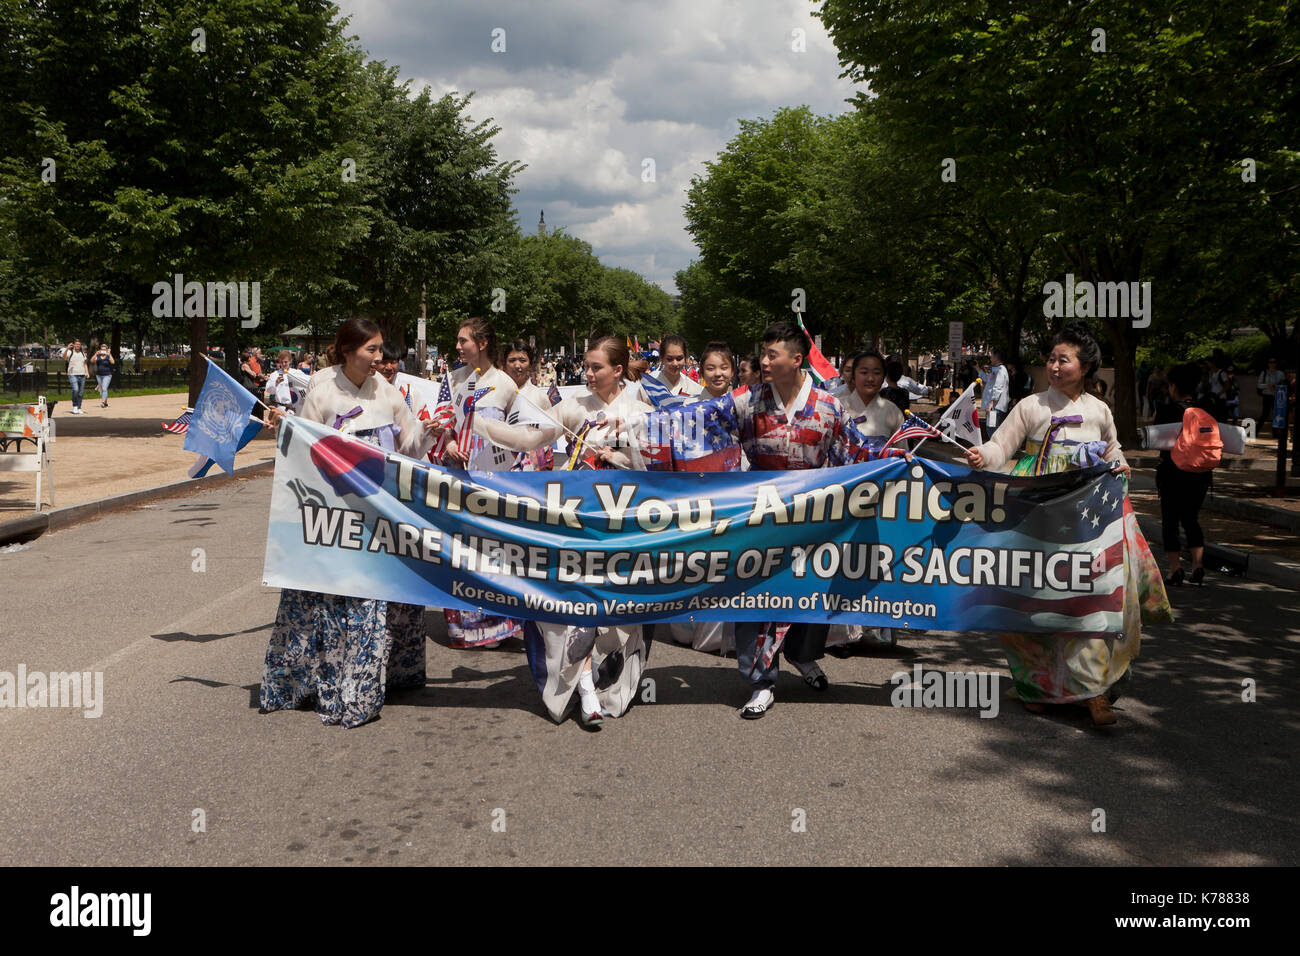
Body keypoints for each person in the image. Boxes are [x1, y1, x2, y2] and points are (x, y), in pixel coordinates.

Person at [635, 321, 899, 719]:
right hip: (760, 519)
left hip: (815, 519)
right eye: (763, 353)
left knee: (812, 595)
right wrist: (631, 434)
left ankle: (802, 656)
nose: (764, 361)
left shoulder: (829, 407)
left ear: (797, 359)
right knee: (756, 597)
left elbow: (857, 452)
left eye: (772, 354)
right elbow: (697, 421)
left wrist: (897, 459)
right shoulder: (748, 401)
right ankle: (760, 680)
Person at [963, 321, 1171, 726]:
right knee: (1032, 600)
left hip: (1086, 522)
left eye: (1064, 359)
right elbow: (999, 447)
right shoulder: (1030, 406)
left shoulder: (1099, 411)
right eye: (1051, 359)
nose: (1055, 367)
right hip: (1035, 516)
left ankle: (1093, 692)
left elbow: (1114, 452)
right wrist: (981, 457)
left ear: (1087, 366)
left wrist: (1120, 467)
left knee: (1088, 598)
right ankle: (1035, 686)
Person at [259, 317, 439, 728]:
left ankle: (383, 678)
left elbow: (410, 446)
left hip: (381, 513)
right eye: (371, 350)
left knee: (378, 593)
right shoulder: (322, 392)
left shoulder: (390, 393)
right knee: (345, 597)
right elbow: (301, 449)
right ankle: (339, 685)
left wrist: (428, 431)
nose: (381, 358)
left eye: (381, 350)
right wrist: (282, 426)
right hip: (336, 514)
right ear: (346, 350)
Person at [475, 336, 656, 728]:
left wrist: (619, 458)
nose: (587, 374)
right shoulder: (573, 407)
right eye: (586, 367)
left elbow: (659, 467)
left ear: (618, 370)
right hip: (579, 527)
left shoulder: (642, 409)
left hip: (627, 529)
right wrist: (483, 425)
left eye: (596, 368)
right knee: (576, 606)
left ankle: (613, 684)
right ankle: (584, 688)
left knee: (618, 609)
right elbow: (530, 439)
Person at [432, 317, 524, 649]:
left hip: (495, 482)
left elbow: (520, 434)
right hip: (457, 476)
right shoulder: (452, 380)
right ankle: (466, 625)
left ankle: (500, 622)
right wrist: (450, 443)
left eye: (463, 341)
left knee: (494, 550)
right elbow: (441, 420)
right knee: (460, 549)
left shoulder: (505, 384)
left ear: (482, 343)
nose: (458, 347)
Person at [828, 349, 905, 652]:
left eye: (876, 372)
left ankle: (877, 628)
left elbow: (904, 456)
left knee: (877, 557)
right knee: (842, 558)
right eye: (863, 372)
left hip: (882, 495)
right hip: (844, 492)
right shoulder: (837, 406)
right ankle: (839, 632)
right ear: (852, 375)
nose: (870, 378)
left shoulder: (892, 412)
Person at [1156, 363, 1213, 587]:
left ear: (1173, 386)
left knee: (1170, 520)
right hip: (1200, 472)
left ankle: (1175, 569)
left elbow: (1156, 439)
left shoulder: (1167, 410)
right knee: (1191, 518)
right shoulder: (1207, 408)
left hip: (1172, 472)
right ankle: (1198, 565)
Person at [981, 348, 1010, 437]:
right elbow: (988, 380)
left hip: (995, 406)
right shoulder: (996, 369)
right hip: (994, 406)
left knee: (992, 429)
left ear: (996, 358)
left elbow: (998, 387)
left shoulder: (1001, 370)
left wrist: (991, 403)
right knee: (992, 428)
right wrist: (978, 368)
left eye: (991, 356)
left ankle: (994, 449)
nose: (990, 358)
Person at [1258, 357, 1285, 433]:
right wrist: (1268, 386)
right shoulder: (1264, 373)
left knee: (1277, 414)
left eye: (1274, 362)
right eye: (1270, 362)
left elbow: (1283, 384)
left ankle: (1276, 433)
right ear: (1268, 364)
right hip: (1267, 395)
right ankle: (1256, 430)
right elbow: (1259, 385)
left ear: (1276, 364)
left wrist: (1276, 387)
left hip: (1277, 396)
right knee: (1265, 414)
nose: (1272, 364)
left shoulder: (1280, 374)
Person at [61, 340, 88, 414]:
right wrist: (67, 348)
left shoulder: (83, 353)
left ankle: (79, 407)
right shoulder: (70, 352)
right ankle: (75, 406)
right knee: (75, 390)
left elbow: (85, 364)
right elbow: (63, 357)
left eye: (79, 344)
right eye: (76, 344)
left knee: (80, 393)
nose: (77, 345)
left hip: (82, 374)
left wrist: (87, 372)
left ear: (81, 345)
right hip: (72, 374)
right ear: (74, 345)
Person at [91, 343, 115, 408]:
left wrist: (109, 354)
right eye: (102, 349)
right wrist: (96, 353)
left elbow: (113, 362)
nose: (103, 351)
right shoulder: (98, 356)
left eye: (104, 349)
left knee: (104, 388)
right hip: (99, 375)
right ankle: (106, 403)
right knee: (102, 389)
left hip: (107, 375)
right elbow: (92, 360)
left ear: (107, 350)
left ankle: (103, 402)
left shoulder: (108, 356)